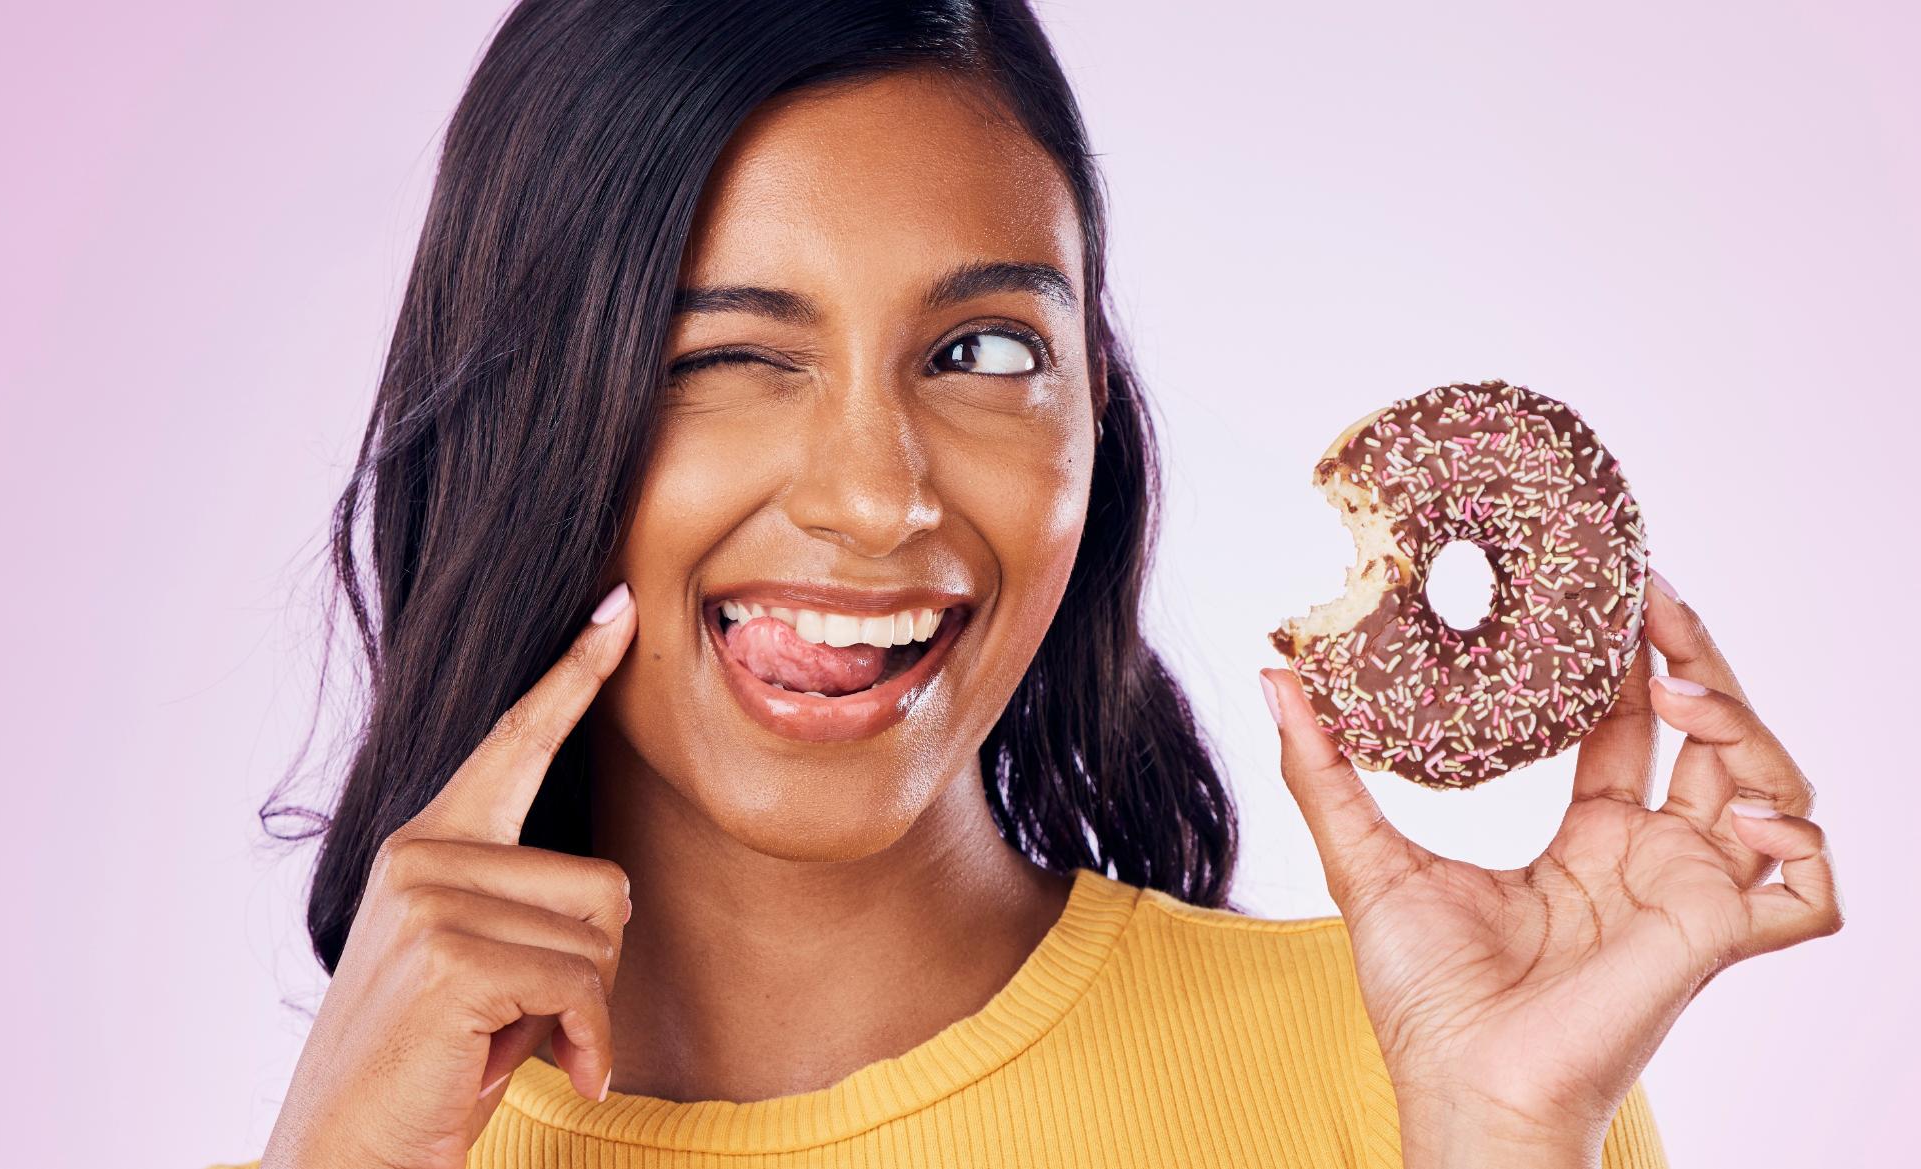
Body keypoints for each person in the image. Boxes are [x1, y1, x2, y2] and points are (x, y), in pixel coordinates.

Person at [230, 2, 1841, 1166]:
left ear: (1098, 414)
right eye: (724, 355)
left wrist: (1499, 1139)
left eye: (983, 350)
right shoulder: (364, 1153)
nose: (874, 495)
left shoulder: (1424, 1075)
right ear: (527, 415)